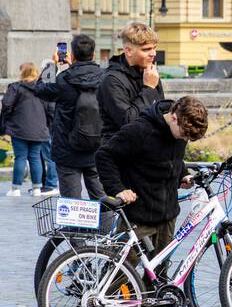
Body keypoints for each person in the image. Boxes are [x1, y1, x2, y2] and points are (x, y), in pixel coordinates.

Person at [97, 97, 211, 307]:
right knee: (119, 273)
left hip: (166, 213)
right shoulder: (140, 131)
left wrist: (183, 175)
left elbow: (172, 158)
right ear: (173, 116)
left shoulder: (179, 131)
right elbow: (105, 156)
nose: (184, 140)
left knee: (157, 277)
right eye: (183, 134)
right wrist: (119, 189)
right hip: (138, 214)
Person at [32, 34, 105, 199]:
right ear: (93, 55)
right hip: (98, 148)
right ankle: (106, 226)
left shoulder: (64, 79)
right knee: (102, 198)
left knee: (71, 203)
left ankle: (74, 226)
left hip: (67, 150)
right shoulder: (104, 77)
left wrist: (53, 65)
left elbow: (41, 89)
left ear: (71, 55)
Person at [98, 22, 165, 140]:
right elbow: (129, 122)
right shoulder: (111, 80)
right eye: (146, 49)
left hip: (148, 150)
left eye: (154, 48)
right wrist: (148, 89)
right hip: (120, 152)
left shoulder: (149, 73)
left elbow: (161, 111)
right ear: (128, 51)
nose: (153, 53)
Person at [3, 62, 57, 197]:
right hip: (39, 129)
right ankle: (37, 188)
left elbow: (6, 105)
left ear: (23, 73)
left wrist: (8, 119)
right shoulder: (42, 88)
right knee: (35, 159)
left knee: (20, 157)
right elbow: (51, 108)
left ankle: (15, 189)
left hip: (19, 128)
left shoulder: (16, 87)